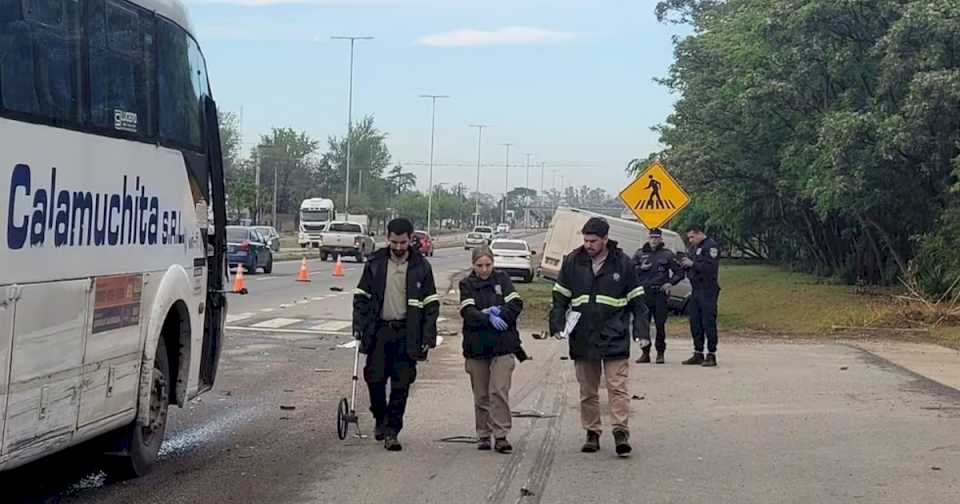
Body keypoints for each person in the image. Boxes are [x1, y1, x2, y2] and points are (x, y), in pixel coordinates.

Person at [549, 217, 648, 456]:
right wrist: (557, 325)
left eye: (593, 241)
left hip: (615, 334)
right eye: (585, 240)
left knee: (617, 386)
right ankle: (592, 432)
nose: (588, 245)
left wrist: (641, 333)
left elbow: (638, 302)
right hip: (583, 336)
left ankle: (620, 431)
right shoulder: (573, 261)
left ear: (605, 239)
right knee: (588, 390)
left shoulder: (623, 264)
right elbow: (560, 297)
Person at [352, 218, 440, 451]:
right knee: (375, 379)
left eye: (403, 242)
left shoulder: (421, 266)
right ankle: (380, 418)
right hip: (379, 332)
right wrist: (359, 325)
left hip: (407, 334)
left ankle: (392, 431)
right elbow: (361, 296)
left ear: (411, 239)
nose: (399, 247)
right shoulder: (375, 263)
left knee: (401, 386)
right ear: (387, 238)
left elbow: (431, 303)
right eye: (394, 242)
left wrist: (428, 335)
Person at [458, 246, 524, 454]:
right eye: (480, 265)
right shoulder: (466, 284)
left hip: (503, 345)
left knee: (498, 390)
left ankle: (501, 434)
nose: (484, 270)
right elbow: (468, 311)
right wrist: (487, 317)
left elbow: (516, 303)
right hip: (477, 346)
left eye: (488, 265)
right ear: (473, 265)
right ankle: (483, 434)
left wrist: (501, 313)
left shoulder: (502, 279)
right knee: (481, 394)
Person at [633, 228, 685, 364]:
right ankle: (645, 353)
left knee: (660, 324)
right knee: (643, 325)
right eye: (652, 238)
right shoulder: (640, 253)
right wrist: (640, 268)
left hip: (660, 294)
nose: (654, 240)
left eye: (657, 238)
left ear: (661, 239)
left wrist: (670, 283)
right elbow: (629, 270)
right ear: (648, 238)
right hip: (644, 294)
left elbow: (679, 273)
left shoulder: (667, 255)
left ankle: (660, 353)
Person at [678, 224, 721, 367]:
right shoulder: (694, 248)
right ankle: (698, 352)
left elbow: (710, 268)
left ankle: (711, 354)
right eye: (689, 237)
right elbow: (692, 265)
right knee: (695, 321)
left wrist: (693, 264)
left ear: (699, 233)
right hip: (695, 289)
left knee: (708, 321)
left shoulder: (711, 246)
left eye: (692, 236)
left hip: (708, 289)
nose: (690, 240)